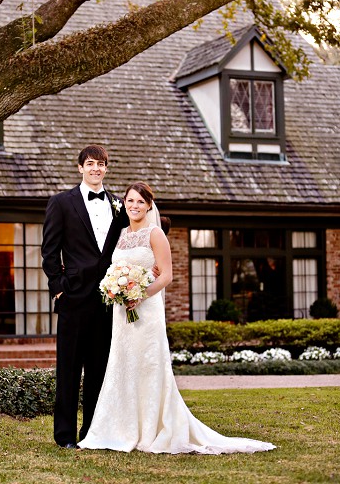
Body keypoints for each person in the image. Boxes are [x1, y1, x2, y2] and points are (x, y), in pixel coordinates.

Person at [78, 182, 276, 454]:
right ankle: (122, 429)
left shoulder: (156, 234)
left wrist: (140, 293)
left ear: (149, 205)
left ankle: (152, 429)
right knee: (123, 364)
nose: (134, 206)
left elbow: (168, 275)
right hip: (122, 312)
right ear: (124, 203)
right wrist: (118, 290)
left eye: (140, 201)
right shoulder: (121, 234)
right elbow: (114, 268)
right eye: (130, 201)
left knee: (148, 365)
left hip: (146, 311)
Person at [41, 144, 129, 449]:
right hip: (73, 299)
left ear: (106, 168)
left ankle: (92, 433)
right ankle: (64, 436)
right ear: (80, 168)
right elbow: (49, 252)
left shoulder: (120, 204)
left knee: (99, 370)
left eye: (101, 164)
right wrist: (59, 288)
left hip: (108, 300)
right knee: (68, 370)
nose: (96, 169)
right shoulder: (61, 203)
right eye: (90, 164)